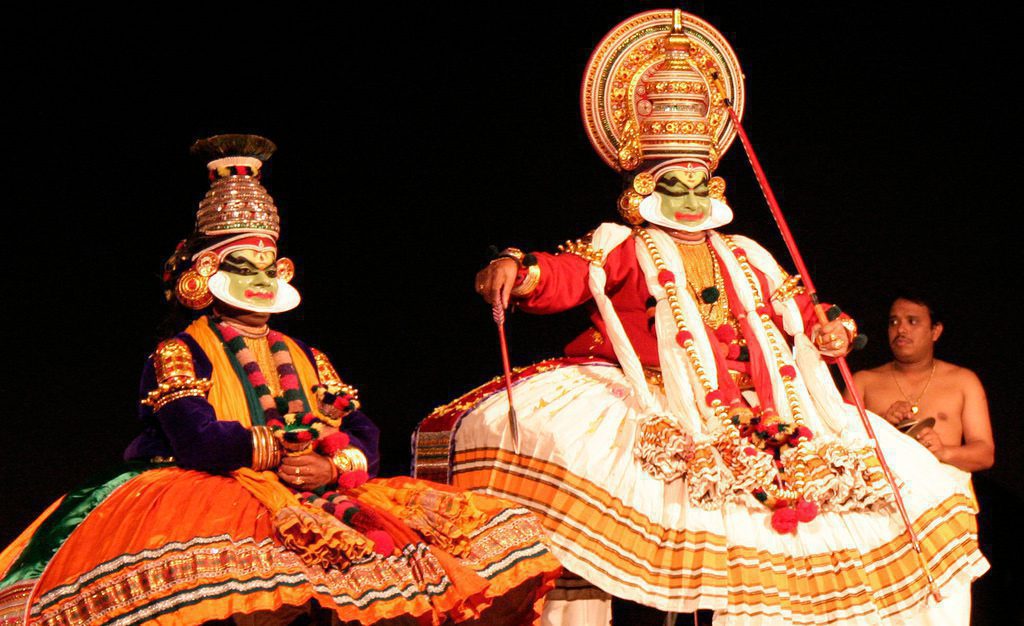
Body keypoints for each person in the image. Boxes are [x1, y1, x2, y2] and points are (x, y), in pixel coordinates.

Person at [414, 9, 987, 626]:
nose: (690, 200)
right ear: (645, 190)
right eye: (674, 187)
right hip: (654, 403)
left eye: (699, 187)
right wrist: (514, 266)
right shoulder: (623, 244)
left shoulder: (749, 254)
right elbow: (565, 275)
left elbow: (807, 306)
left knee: (910, 489)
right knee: (587, 522)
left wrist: (834, 328)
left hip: (763, 410)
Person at [0, 135, 560, 626]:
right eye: (246, 268)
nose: (264, 280)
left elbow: (361, 428)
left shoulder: (306, 354)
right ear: (206, 276)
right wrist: (285, 457)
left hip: (313, 491)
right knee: (246, 595)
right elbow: (197, 439)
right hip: (210, 492)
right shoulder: (179, 351)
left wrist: (332, 464)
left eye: (272, 267)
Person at [845, 295, 994, 472]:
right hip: (880, 493)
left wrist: (943, 452)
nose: (901, 329)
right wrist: (883, 427)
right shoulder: (863, 382)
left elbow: (985, 455)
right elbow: (840, 448)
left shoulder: (964, 381)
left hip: (945, 494)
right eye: (893, 322)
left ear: (935, 331)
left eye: (912, 321)